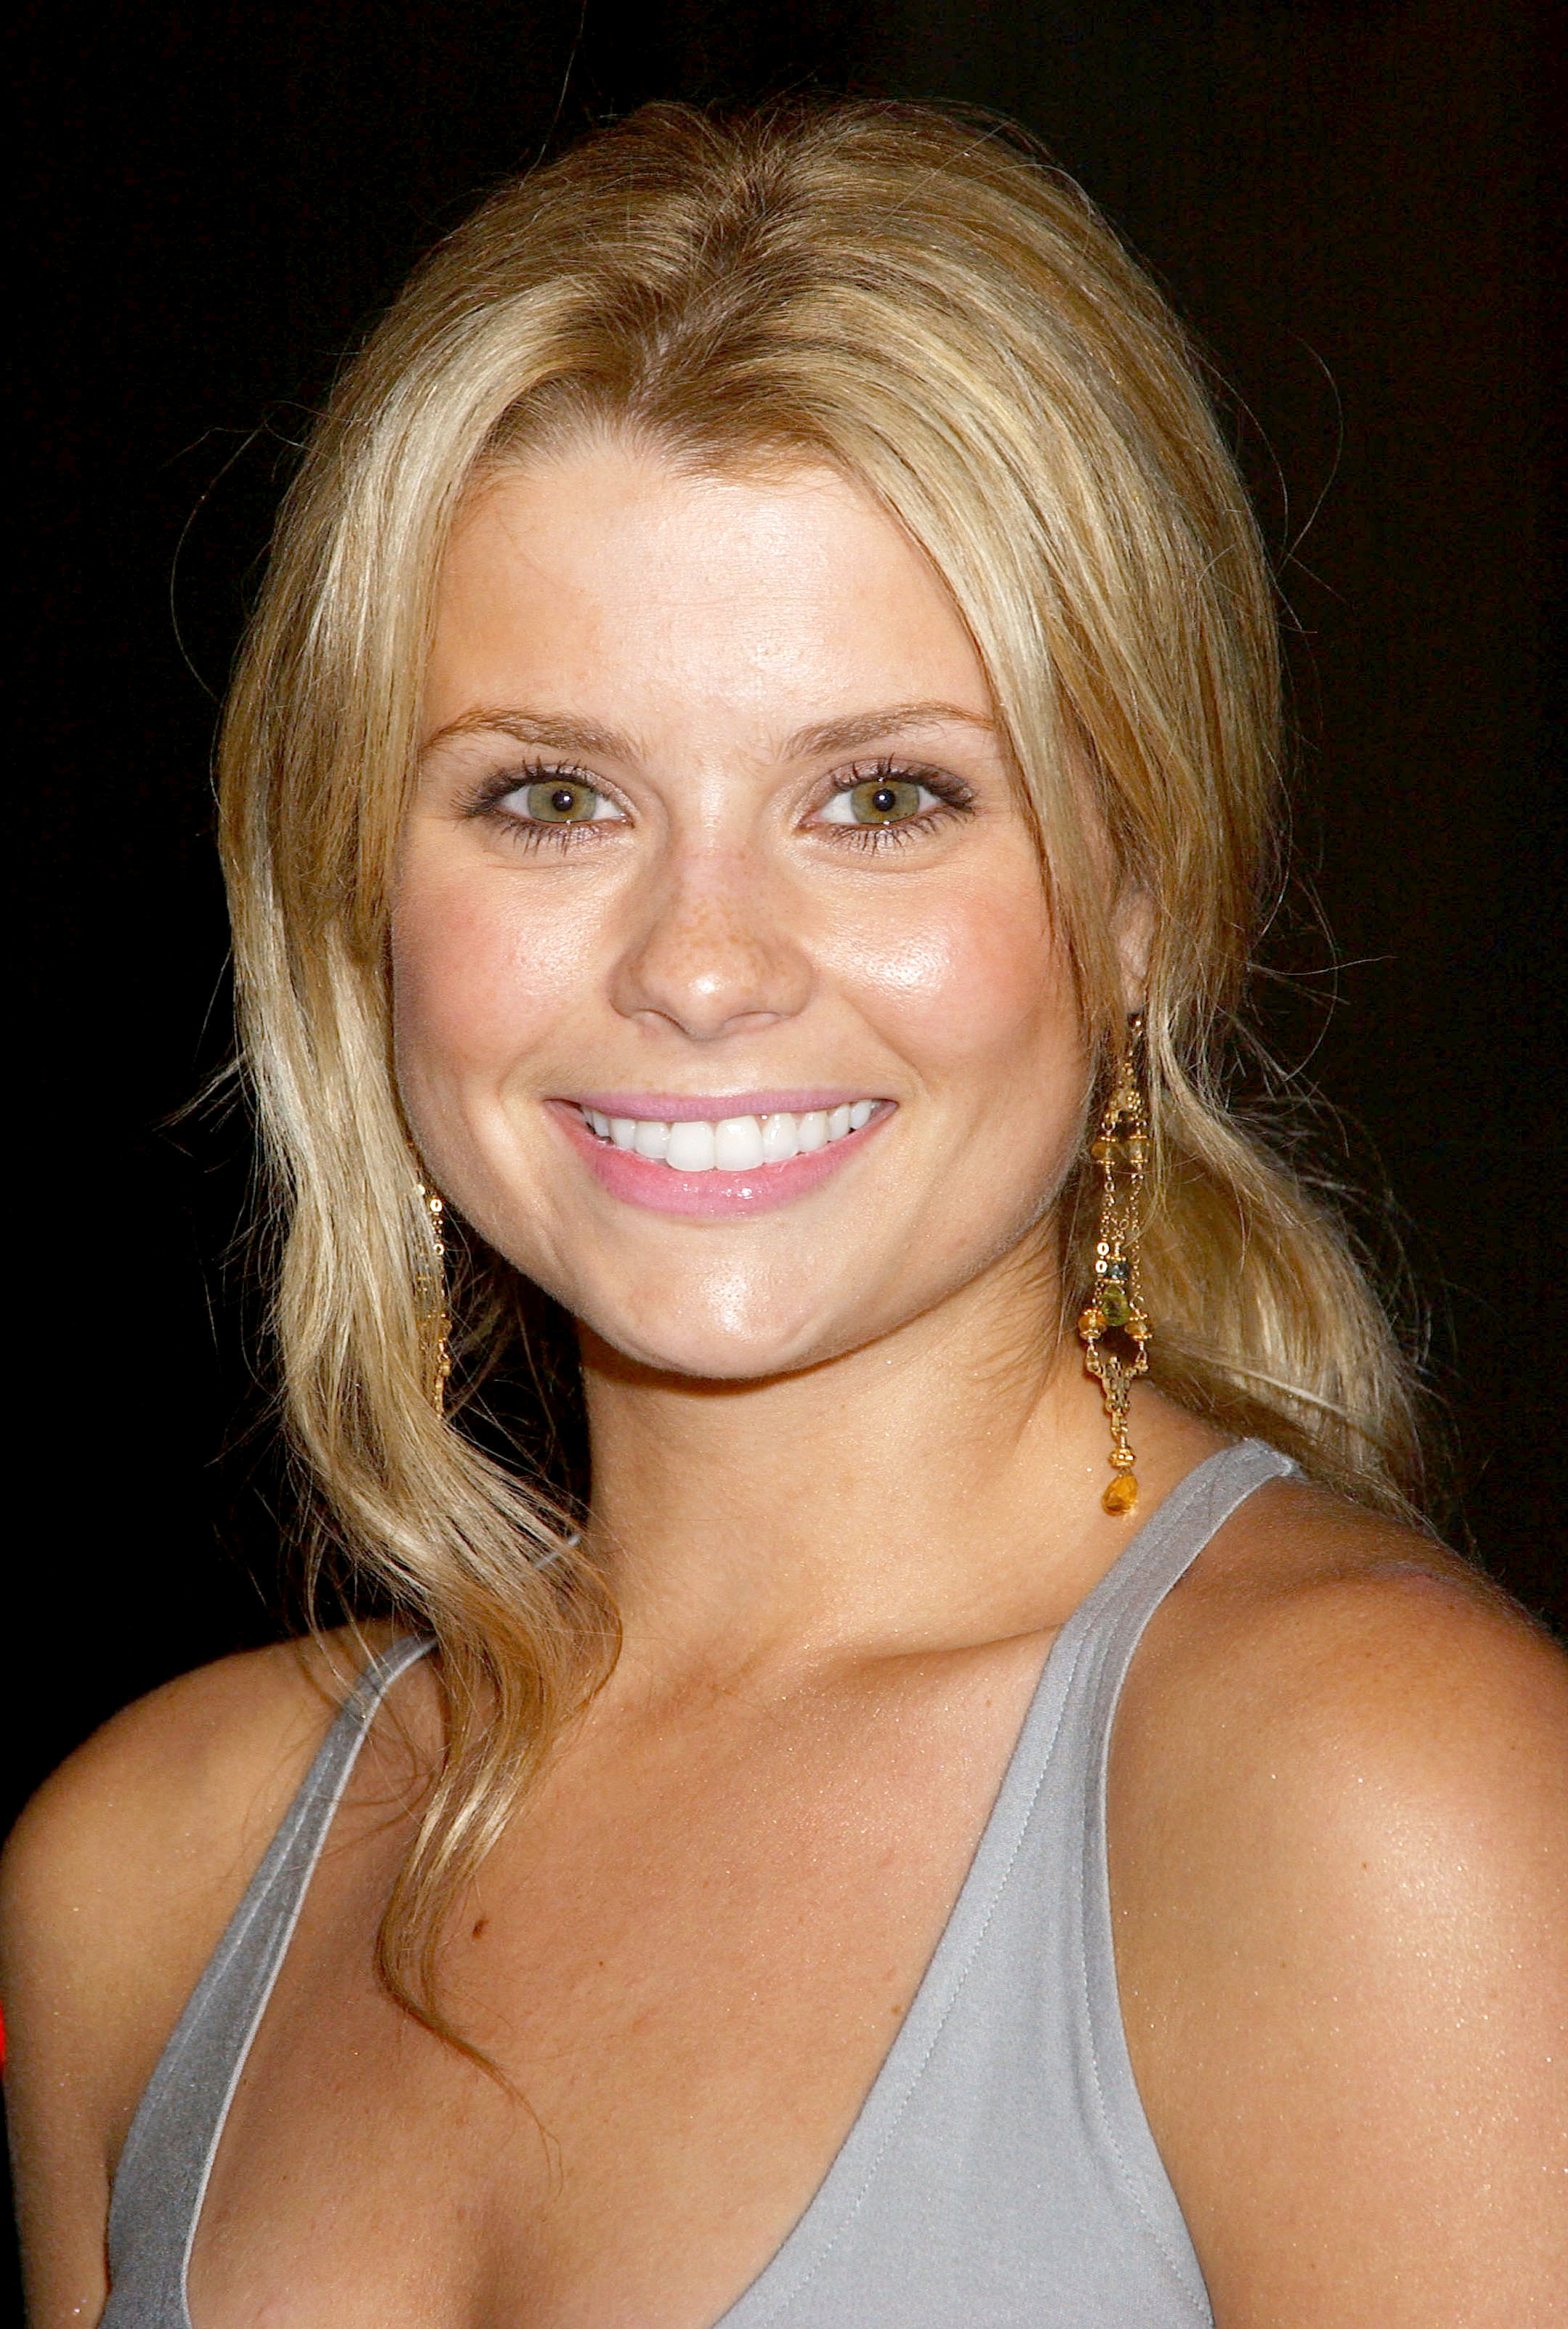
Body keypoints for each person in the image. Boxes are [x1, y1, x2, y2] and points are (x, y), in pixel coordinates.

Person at [4, 100, 1564, 2329]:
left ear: (1139, 890)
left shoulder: (1377, 1807)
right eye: (553, 796)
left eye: (884, 796)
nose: (704, 963)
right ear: (362, 892)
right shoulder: (146, 1872)